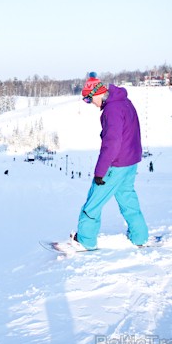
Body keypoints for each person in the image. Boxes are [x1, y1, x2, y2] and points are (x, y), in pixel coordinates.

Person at [58, 72, 149, 252]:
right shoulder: (125, 103)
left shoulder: (112, 110)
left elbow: (112, 143)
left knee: (93, 203)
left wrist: (100, 172)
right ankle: (140, 236)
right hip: (130, 163)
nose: (90, 103)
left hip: (115, 165)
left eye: (88, 99)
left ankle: (86, 240)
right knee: (128, 200)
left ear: (97, 93)